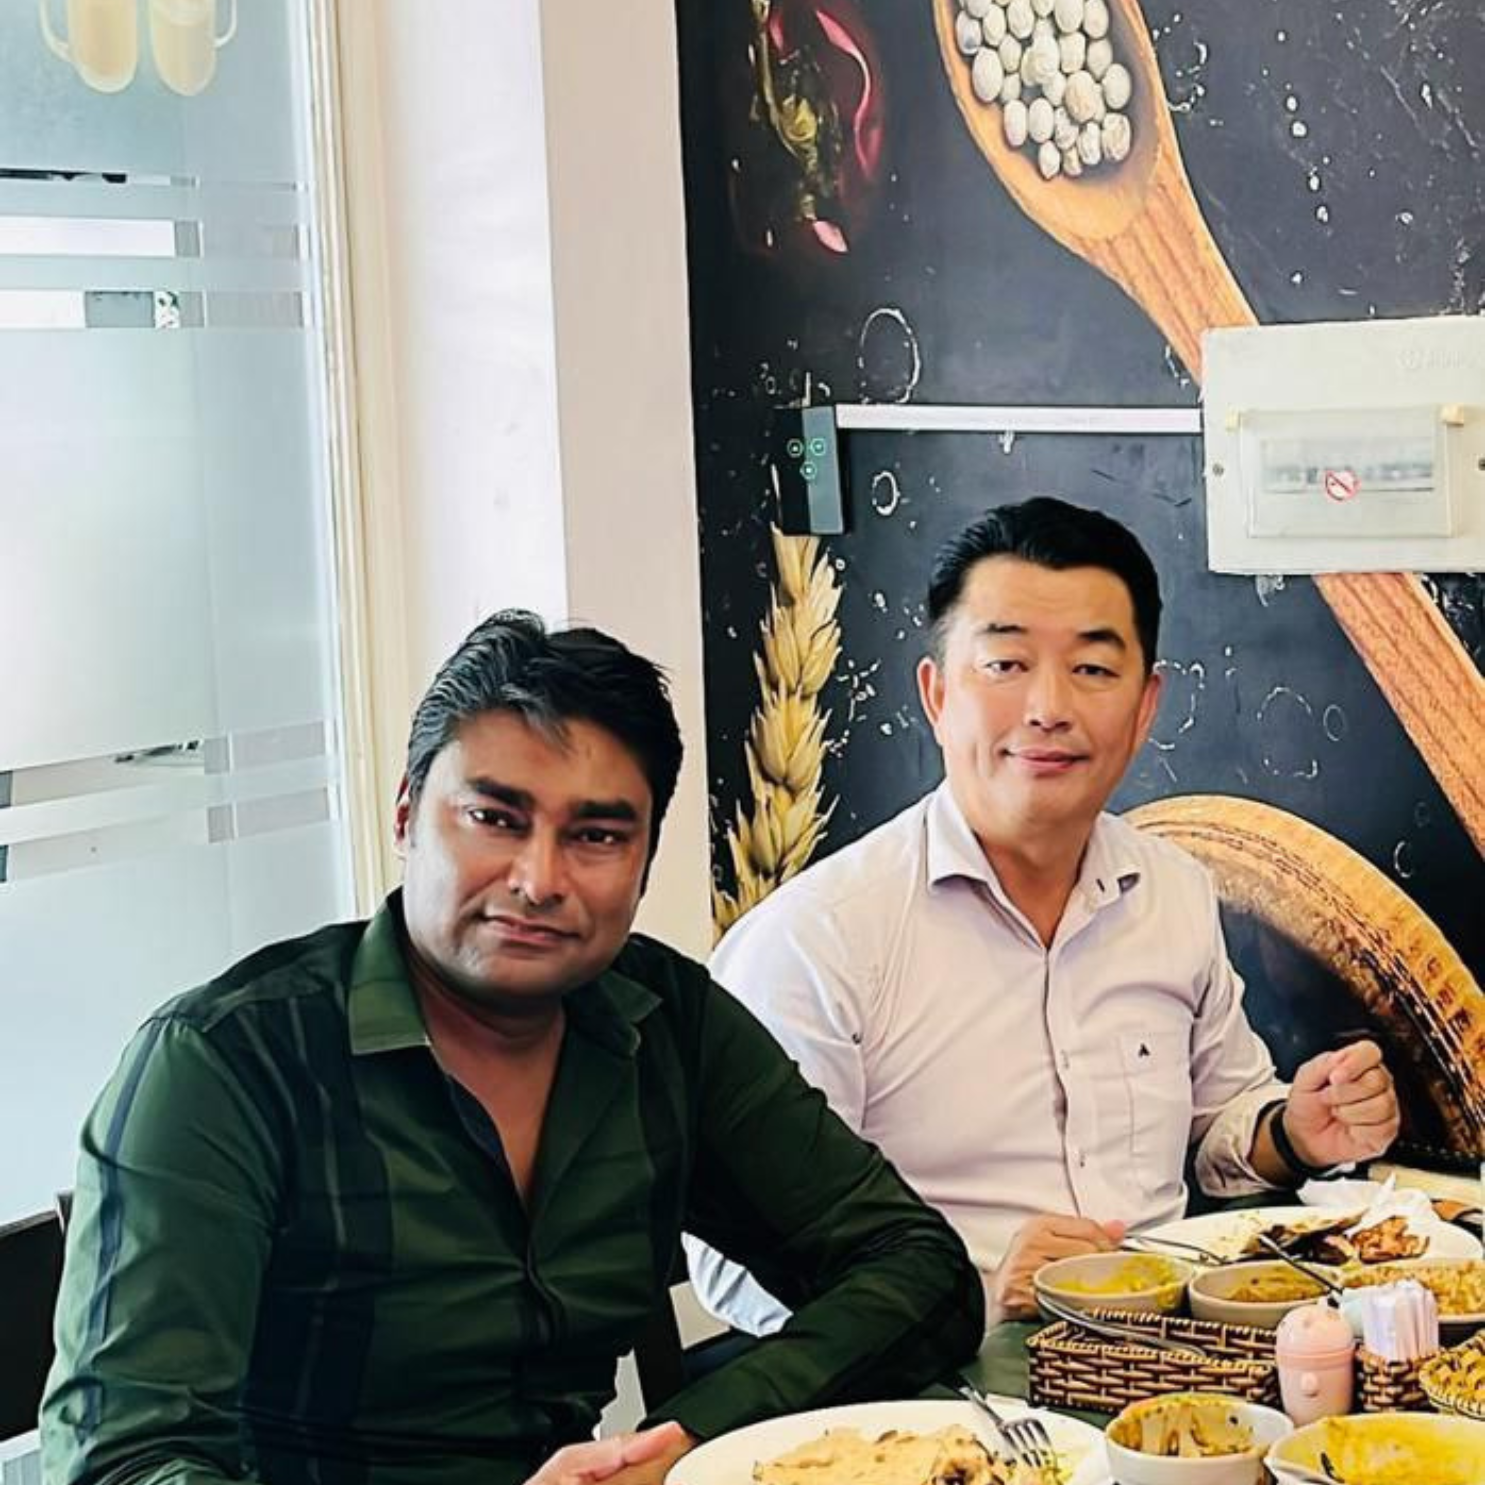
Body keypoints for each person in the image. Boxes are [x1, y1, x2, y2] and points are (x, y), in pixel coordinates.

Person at [41, 612, 983, 1485]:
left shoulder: (665, 1021)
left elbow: (915, 1268)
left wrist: (691, 1438)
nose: (538, 880)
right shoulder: (225, 1064)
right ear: (406, 814)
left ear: (645, 859)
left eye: (596, 835)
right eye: (495, 818)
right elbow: (127, 1461)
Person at [688, 497, 1400, 1330]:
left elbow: (1219, 1119)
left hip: (1166, 1360)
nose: (1048, 707)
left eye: (1092, 669)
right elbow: (732, 1269)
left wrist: (1294, 1131)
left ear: (1144, 707)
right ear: (936, 695)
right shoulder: (817, 938)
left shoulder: (1171, 891)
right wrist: (977, 1294)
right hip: (929, 1384)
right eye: (1005, 664)